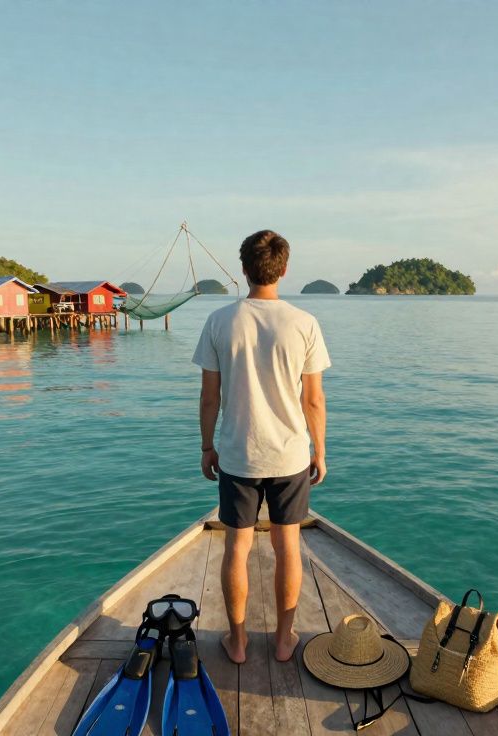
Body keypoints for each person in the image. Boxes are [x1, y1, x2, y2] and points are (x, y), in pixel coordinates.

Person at [192, 229, 330, 664]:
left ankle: (237, 642)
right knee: (288, 546)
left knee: (237, 546)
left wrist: (206, 446)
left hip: (237, 454)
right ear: (284, 269)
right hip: (289, 455)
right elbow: (313, 399)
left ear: (244, 269)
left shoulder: (219, 321)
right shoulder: (304, 323)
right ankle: (285, 639)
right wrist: (320, 451)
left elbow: (209, 396)